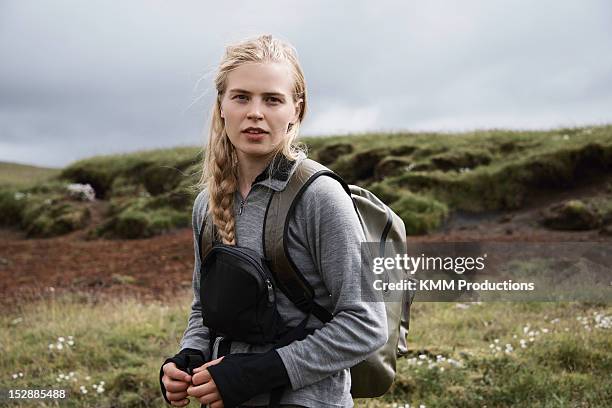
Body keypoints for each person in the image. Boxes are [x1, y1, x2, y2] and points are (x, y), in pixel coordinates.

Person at [160, 34, 387, 408]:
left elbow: (366, 324)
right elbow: (205, 308)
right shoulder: (207, 203)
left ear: (296, 110)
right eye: (241, 97)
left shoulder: (318, 198)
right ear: (221, 106)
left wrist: (258, 372)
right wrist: (189, 358)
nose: (255, 112)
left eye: (272, 99)